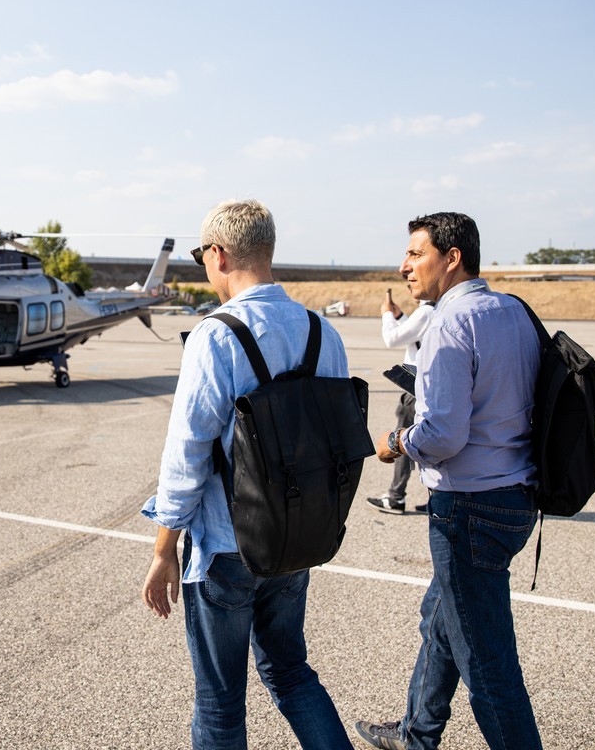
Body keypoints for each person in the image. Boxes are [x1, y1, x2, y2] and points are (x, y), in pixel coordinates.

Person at [141, 198, 354, 750]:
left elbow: (186, 453)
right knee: (290, 672)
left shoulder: (216, 336)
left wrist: (165, 549)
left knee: (219, 702)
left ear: (218, 254)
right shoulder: (322, 333)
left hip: (226, 547)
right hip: (295, 539)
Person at [354, 212, 544, 750]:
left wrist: (395, 443)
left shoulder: (449, 323)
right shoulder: (515, 312)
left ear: (452, 257)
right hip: (515, 496)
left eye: (415, 253)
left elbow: (442, 434)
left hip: (468, 509)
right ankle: (417, 734)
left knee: (487, 665)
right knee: (440, 621)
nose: (404, 265)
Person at [365, 288, 434, 515]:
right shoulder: (436, 308)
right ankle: (436, 496)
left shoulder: (425, 311)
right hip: (428, 386)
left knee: (401, 440)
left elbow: (393, 338)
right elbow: (415, 336)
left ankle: (396, 497)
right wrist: (399, 317)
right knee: (427, 440)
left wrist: (386, 314)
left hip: (414, 387)